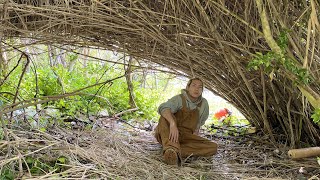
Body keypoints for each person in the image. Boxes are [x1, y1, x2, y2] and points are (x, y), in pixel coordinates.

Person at [154, 77, 218, 165]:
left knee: (213, 147)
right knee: (164, 117)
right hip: (169, 133)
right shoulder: (179, 99)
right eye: (194, 85)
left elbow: (198, 126)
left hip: (186, 136)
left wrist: (194, 141)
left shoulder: (204, 104)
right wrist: (173, 124)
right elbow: (163, 108)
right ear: (188, 87)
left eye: (200, 87)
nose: (196, 89)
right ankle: (170, 148)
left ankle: (172, 152)